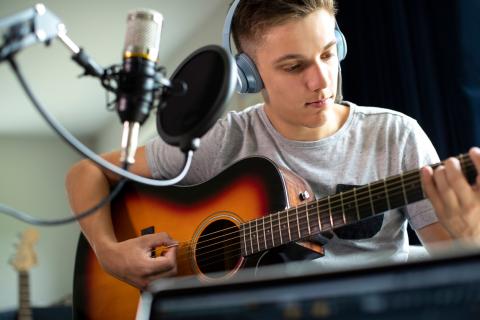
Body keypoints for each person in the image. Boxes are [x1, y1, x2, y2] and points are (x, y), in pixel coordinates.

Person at [66, 0, 479, 289]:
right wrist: (108, 252)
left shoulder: (396, 136)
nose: (321, 81)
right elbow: (85, 171)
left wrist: (470, 235)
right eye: (294, 66)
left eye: (328, 54)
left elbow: (454, 280)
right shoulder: (226, 138)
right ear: (250, 75)